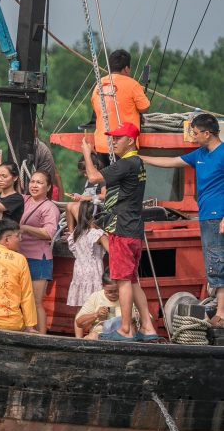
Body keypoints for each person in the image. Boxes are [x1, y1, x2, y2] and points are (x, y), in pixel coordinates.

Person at [142, 113, 224, 327]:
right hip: (206, 216)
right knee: (213, 262)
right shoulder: (200, 154)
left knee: (217, 263)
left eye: (196, 133)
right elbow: (172, 161)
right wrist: (143, 159)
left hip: (218, 216)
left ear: (207, 133)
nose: (193, 137)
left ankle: (221, 313)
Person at [81, 122, 159, 342]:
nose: (113, 142)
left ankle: (125, 329)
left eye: (118, 138)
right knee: (132, 281)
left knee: (123, 280)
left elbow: (93, 177)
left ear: (131, 141)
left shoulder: (127, 163)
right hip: (134, 229)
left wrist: (87, 153)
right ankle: (148, 327)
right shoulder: (138, 163)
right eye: (113, 138)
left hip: (122, 229)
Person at [18, 171, 61, 334]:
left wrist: (25, 228)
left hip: (38, 258)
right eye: (32, 182)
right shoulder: (23, 199)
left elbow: (49, 233)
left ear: (48, 187)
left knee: (36, 302)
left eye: (39, 183)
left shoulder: (50, 207)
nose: (34, 185)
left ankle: (42, 338)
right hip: (20, 257)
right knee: (21, 300)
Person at [91, 49, 150, 155]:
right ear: (126, 68)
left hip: (101, 144)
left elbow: (95, 107)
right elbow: (144, 107)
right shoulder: (133, 84)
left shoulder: (99, 84)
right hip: (124, 146)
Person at [65, 200, 109, 307]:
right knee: (96, 305)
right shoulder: (98, 234)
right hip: (94, 271)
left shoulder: (76, 234)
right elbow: (112, 251)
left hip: (79, 271)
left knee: (82, 307)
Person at [74, 273, 139, 339]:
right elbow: (79, 322)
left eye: (116, 291)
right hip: (100, 335)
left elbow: (143, 320)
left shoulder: (128, 296)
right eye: (110, 291)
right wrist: (96, 315)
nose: (113, 294)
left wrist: (135, 316)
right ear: (103, 286)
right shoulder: (96, 297)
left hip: (123, 336)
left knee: (131, 329)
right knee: (93, 336)